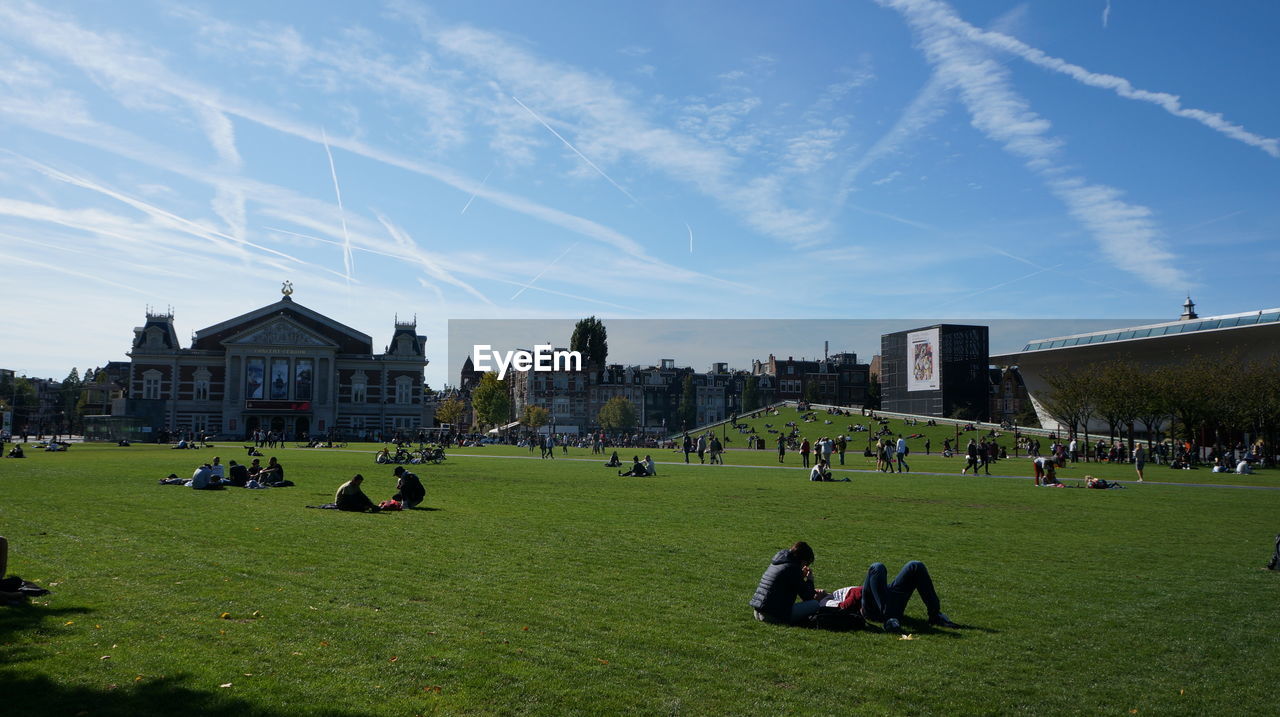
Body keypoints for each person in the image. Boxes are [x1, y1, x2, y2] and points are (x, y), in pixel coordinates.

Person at [820, 560, 958, 633]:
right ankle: (889, 620)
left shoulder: (834, 592)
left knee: (915, 566)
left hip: (885, 598)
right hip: (871, 608)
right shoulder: (825, 602)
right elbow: (844, 608)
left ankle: (935, 616)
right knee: (877, 567)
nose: (817, 590)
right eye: (813, 592)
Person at [749, 541, 820, 625]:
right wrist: (809, 580)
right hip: (773, 616)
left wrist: (800, 577)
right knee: (814, 604)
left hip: (758, 611)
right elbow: (808, 597)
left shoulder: (779, 562)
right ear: (803, 560)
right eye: (807, 563)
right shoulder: (793, 569)